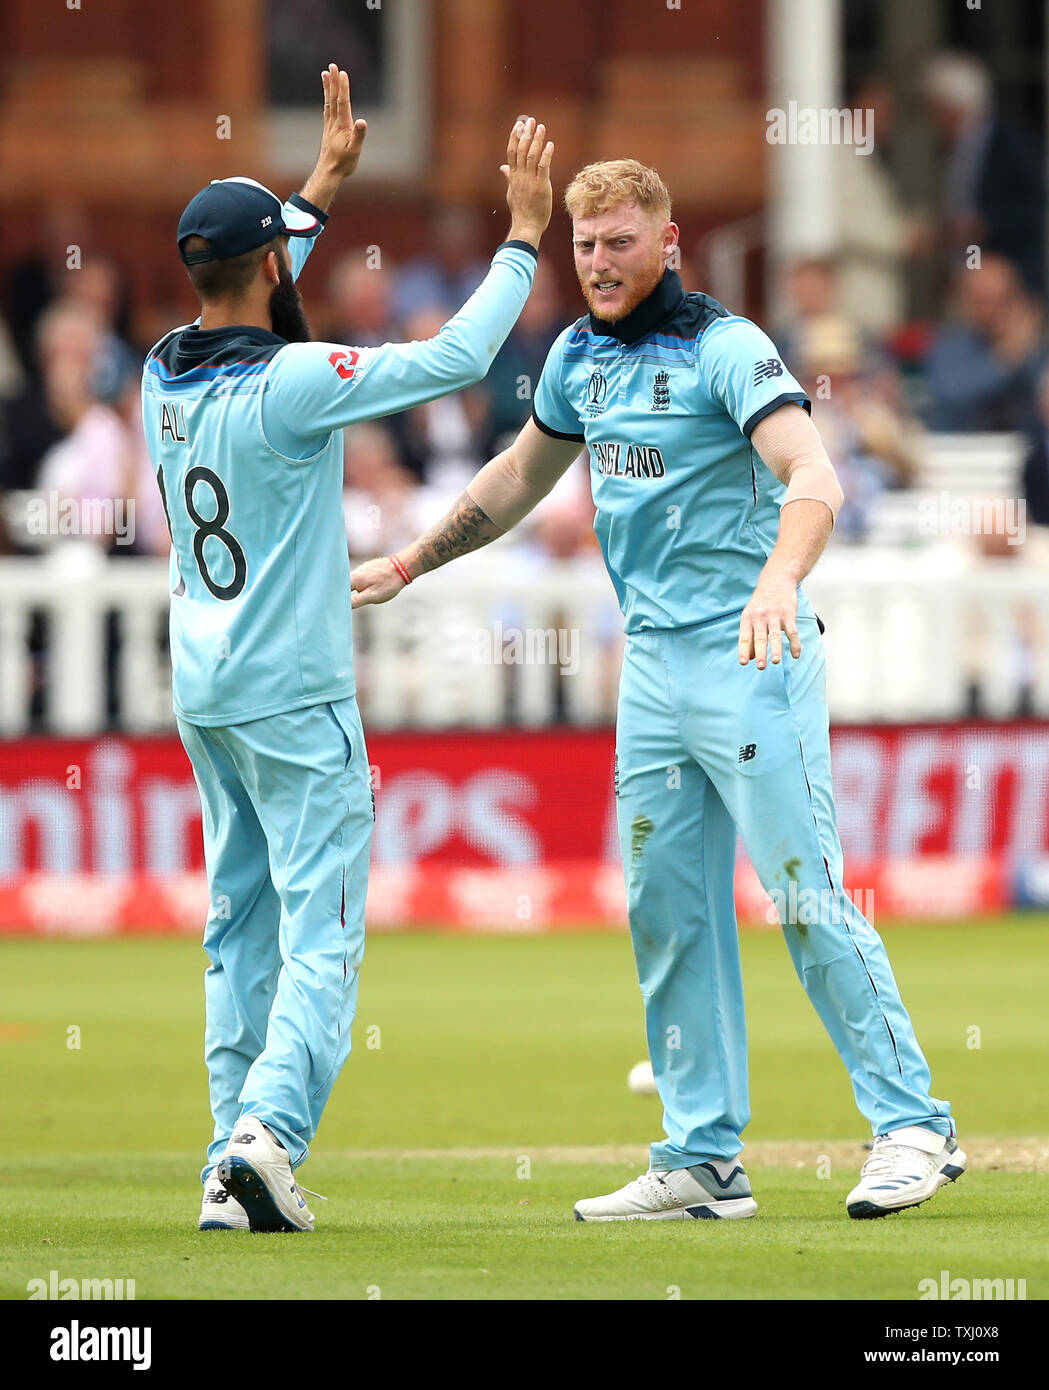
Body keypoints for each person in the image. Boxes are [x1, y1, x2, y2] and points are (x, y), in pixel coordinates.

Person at [352, 158, 964, 1223]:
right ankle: (700, 1160)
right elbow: (514, 478)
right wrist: (410, 562)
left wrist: (778, 576)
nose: (597, 262)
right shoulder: (576, 360)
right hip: (651, 672)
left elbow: (809, 474)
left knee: (805, 894)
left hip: (749, 655)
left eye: (619, 242)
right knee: (668, 912)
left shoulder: (726, 346)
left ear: (667, 242)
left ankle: (913, 1122)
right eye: (583, 245)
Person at [142, 65, 554, 1233]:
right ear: (273, 263)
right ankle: (268, 1134)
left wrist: (314, 187)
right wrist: (521, 240)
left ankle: (231, 1156)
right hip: (292, 694)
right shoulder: (294, 384)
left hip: (206, 692)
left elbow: (254, 281)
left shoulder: (161, 367)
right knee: (319, 925)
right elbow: (460, 360)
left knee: (239, 924)